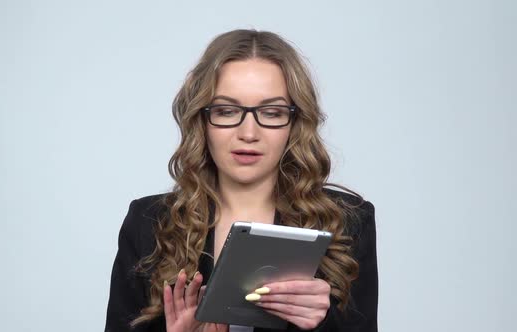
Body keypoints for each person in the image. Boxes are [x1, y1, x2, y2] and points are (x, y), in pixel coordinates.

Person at [105, 29, 378, 332]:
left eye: (272, 112)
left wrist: (321, 325)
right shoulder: (148, 224)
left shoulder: (347, 221)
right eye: (226, 110)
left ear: (294, 122)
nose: (248, 133)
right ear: (202, 119)